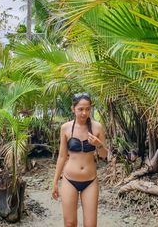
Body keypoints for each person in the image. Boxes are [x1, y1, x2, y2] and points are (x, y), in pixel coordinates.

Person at [52, 92, 108, 227]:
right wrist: (55, 182)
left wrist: (98, 144)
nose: (84, 113)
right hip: (69, 180)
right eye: (80, 109)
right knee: (70, 223)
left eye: (87, 109)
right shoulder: (65, 128)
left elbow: (104, 155)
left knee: (90, 225)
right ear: (73, 109)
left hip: (90, 181)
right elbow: (62, 156)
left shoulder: (97, 127)